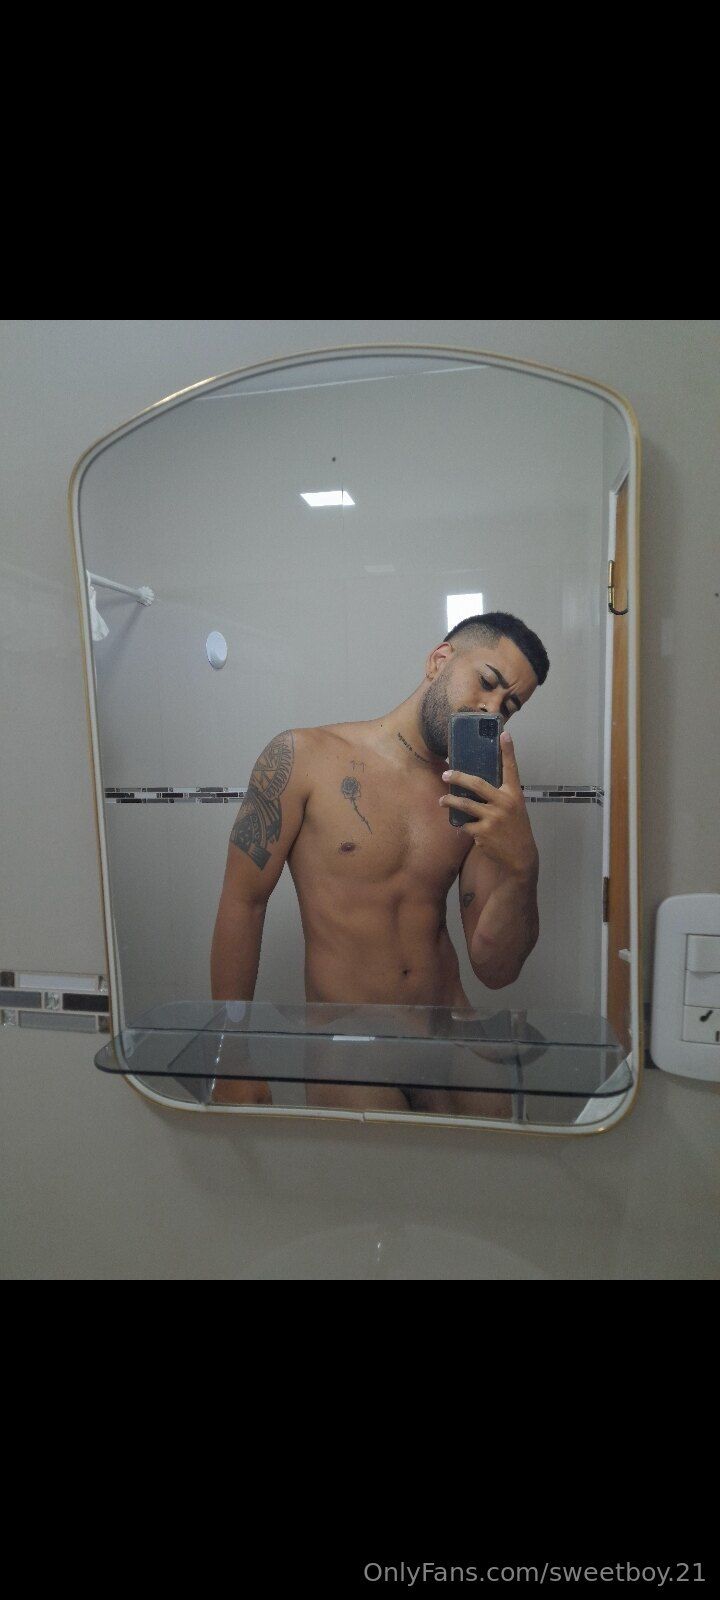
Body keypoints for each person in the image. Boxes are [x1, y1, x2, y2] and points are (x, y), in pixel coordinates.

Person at [210, 612, 549, 1115]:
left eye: (509, 707)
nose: (492, 709)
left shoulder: (475, 795)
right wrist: (230, 1056)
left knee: (498, 1157)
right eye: (487, 682)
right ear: (439, 660)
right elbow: (243, 903)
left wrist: (523, 865)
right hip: (349, 1045)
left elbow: (495, 969)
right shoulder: (304, 757)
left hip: (450, 1032)